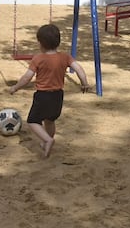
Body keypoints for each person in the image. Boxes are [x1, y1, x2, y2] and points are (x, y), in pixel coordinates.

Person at [8, 24, 89, 158]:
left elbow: (27, 77)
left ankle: (47, 140)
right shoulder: (65, 57)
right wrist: (84, 83)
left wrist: (15, 87)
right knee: (50, 120)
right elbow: (79, 69)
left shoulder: (38, 58)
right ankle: (46, 141)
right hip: (58, 96)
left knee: (33, 121)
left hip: (43, 96)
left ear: (41, 43)